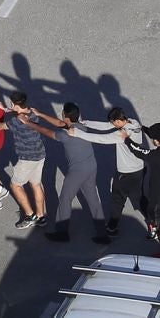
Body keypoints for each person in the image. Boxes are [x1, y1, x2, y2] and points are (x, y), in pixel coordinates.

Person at [19, 104, 110, 244]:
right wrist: (40, 114)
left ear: (66, 117)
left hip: (77, 171)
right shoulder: (80, 126)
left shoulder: (65, 134)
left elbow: (46, 131)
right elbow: (60, 123)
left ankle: (62, 232)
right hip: (91, 167)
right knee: (93, 199)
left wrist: (27, 122)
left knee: (65, 199)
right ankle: (102, 234)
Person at [68, 107, 146, 236]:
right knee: (139, 197)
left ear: (118, 121)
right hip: (139, 169)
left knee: (117, 200)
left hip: (125, 173)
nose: (112, 125)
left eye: (113, 122)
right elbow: (106, 126)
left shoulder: (122, 134)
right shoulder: (133, 122)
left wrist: (77, 133)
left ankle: (112, 228)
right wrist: (86, 123)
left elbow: (101, 138)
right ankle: (155, 224)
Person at [121, 123, 160, 259]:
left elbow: (139, 151)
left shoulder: (156, 156)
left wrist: (126, 139)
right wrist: (143, 128)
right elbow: (156, 135)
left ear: (156, 140)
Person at [0, 92, 47, 229]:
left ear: (17, 105)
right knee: (36, 184)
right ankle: (41, 216)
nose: (11, 105)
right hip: (40, 155)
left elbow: (0, 127)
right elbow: (19, 112)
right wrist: (6, 109)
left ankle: (30, 215)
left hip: (27, 159)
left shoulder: (16, 122)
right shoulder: (33, 112)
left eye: (12, 104)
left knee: (15, 185)